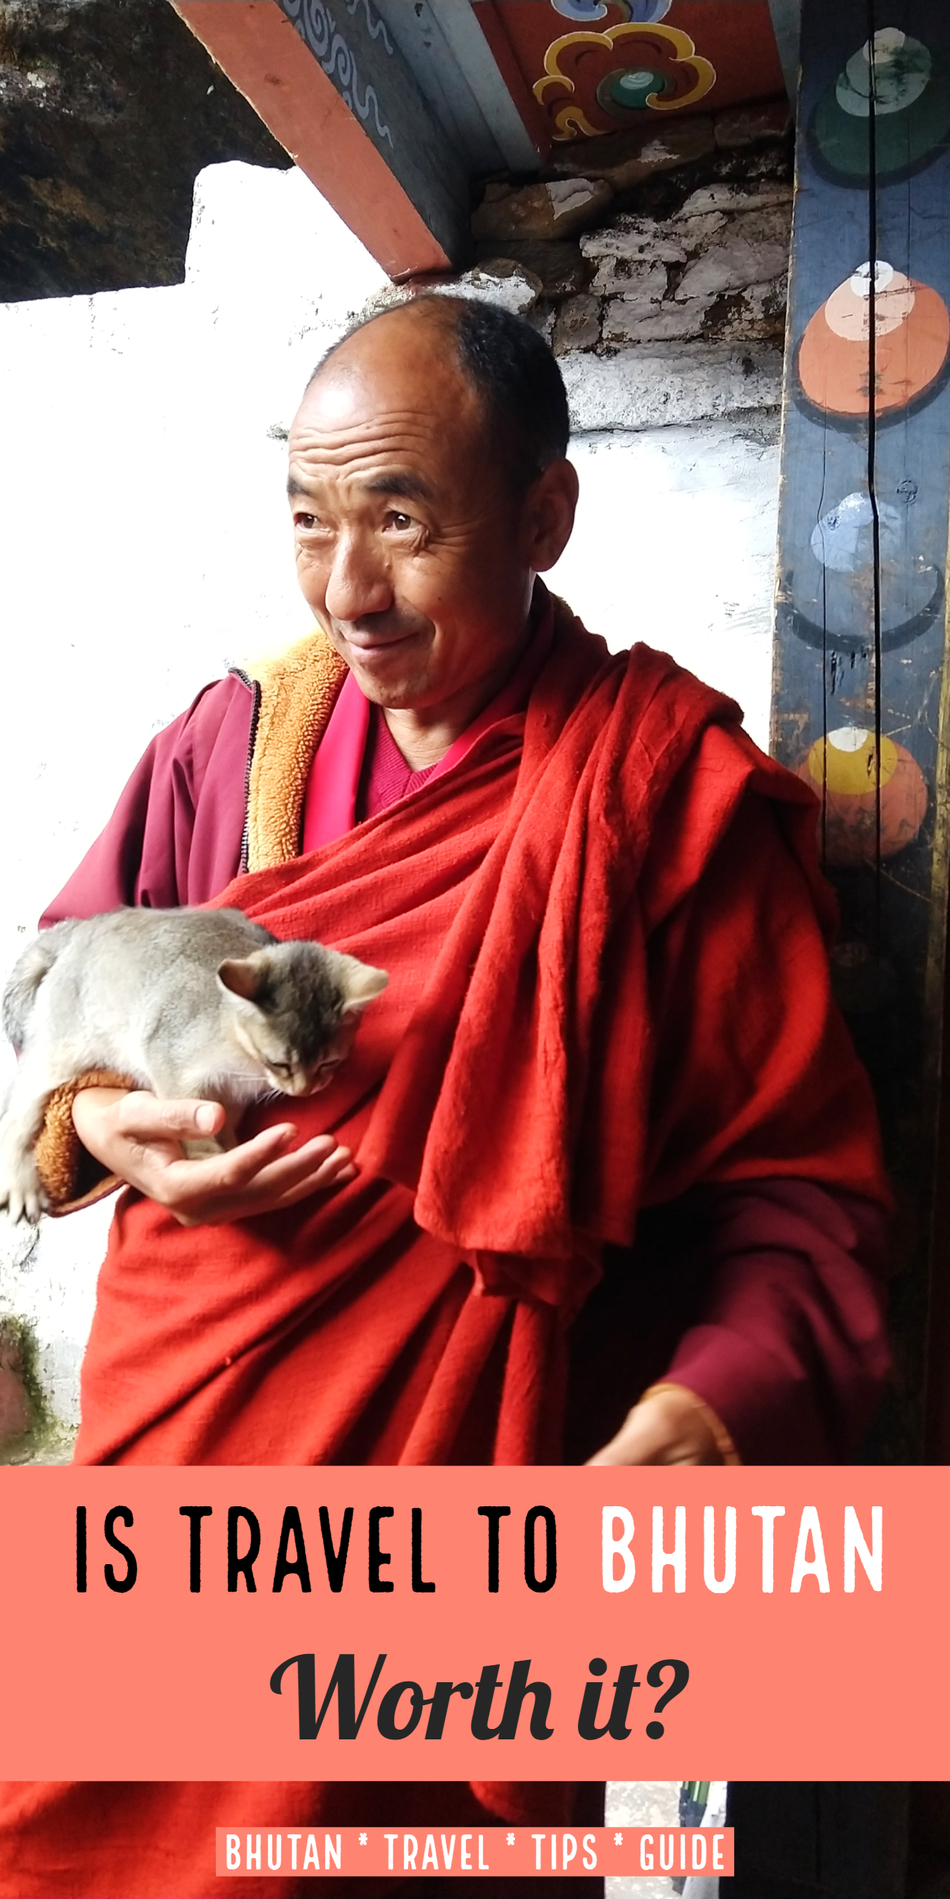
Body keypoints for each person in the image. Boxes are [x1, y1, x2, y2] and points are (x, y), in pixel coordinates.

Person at [0, 296, 890, 1897]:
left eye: (402, 524)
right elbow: (47, 1005)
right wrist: (101, 1131)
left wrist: (719, 1409)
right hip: (185, 1468)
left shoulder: (660, 794)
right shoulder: (232, 746)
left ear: (544, 514)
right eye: (309, 521)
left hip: (475, 1504)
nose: (349, 591)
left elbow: (797, 1192)